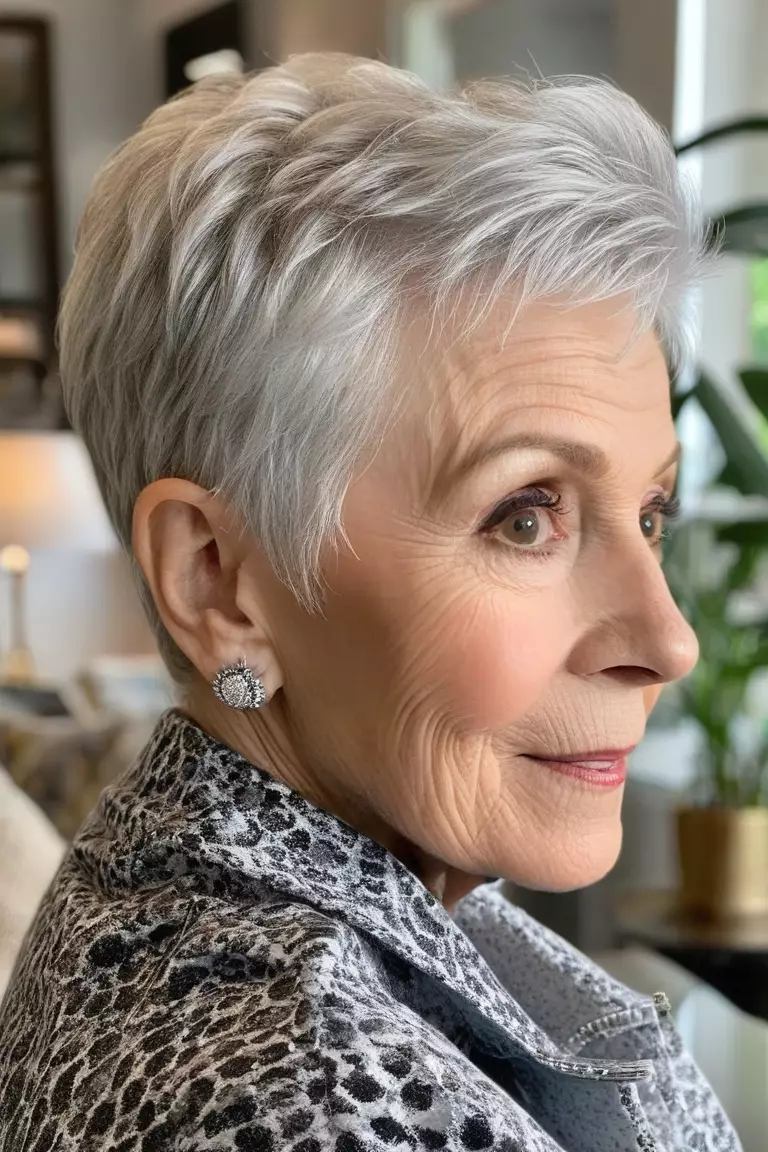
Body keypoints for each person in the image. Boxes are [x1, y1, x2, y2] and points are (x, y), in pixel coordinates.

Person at [0, 54, 739, 1152]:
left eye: (648, 511)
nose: (667, 639)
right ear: (217, 582)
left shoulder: (165, 884)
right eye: (524, 516)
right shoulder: (303, 1096)